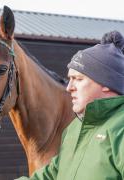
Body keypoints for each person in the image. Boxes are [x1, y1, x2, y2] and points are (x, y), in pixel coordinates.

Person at [16, 30, 124, 180]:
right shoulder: (75, 128)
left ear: (105, 83)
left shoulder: (120, 130)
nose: (69, 87)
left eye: (78, 79)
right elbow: (53, 174)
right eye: (70, 79)